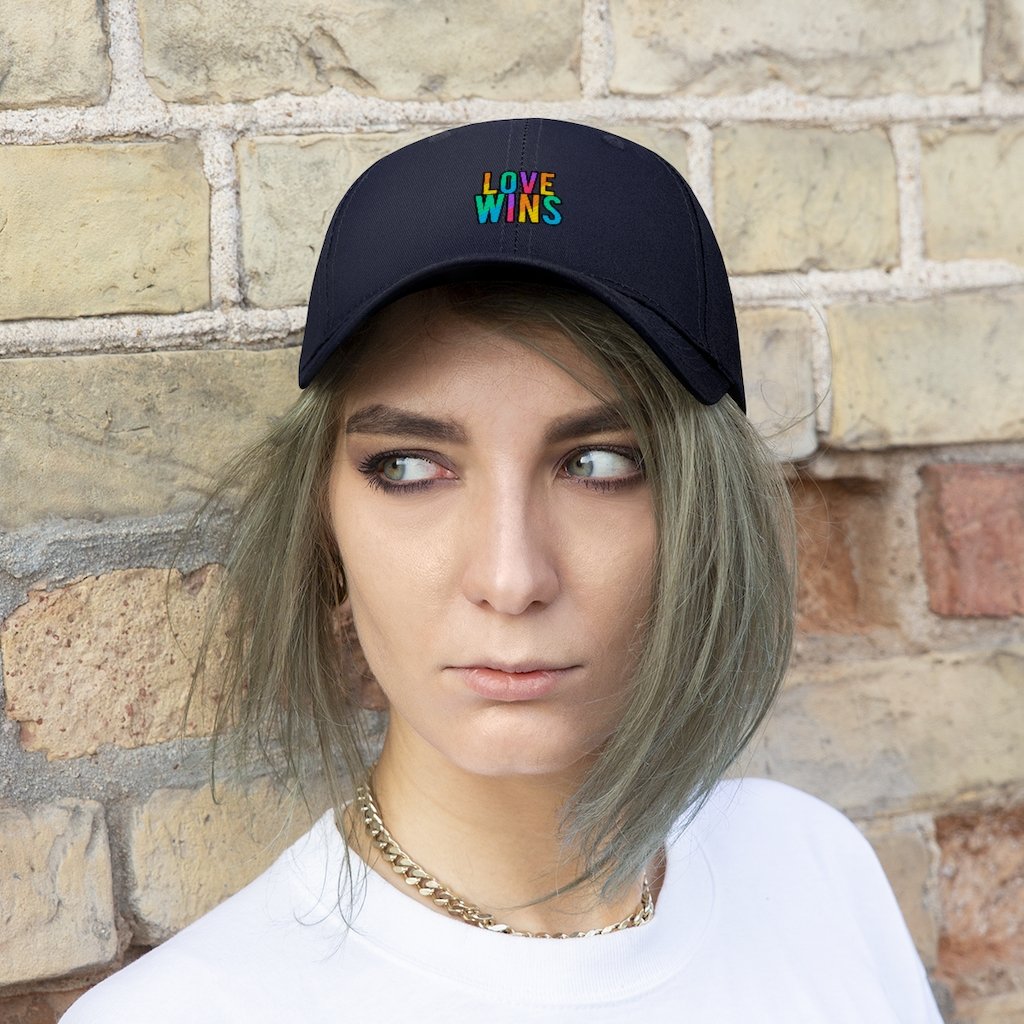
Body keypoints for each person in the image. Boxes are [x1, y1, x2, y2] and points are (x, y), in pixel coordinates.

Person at [64, 119, 943, 1022]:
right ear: (325, 527)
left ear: (705, 516)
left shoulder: (811, 869)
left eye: (598, 464)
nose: (511, 578)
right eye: (409, 467)